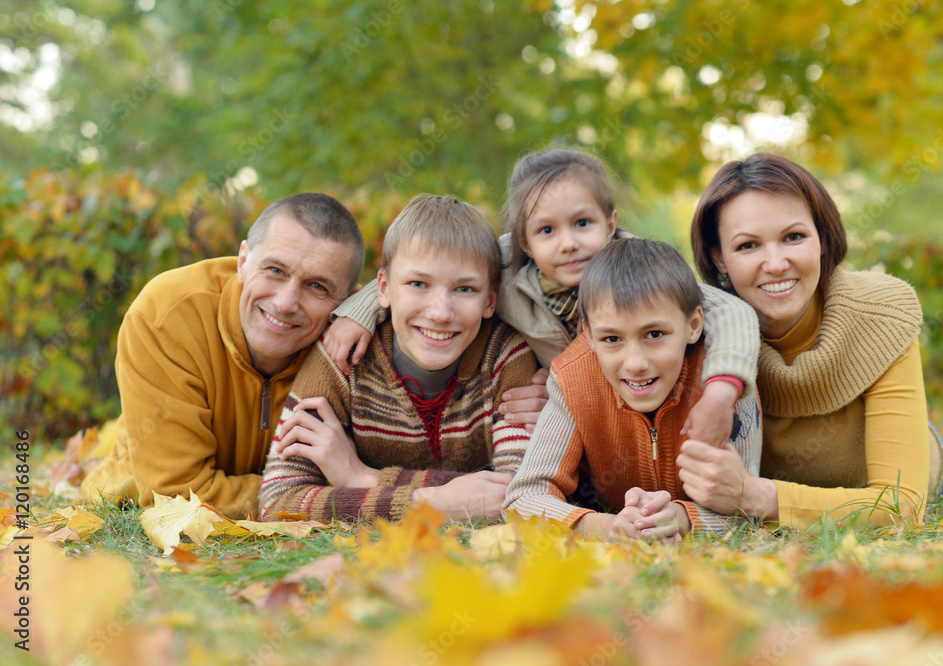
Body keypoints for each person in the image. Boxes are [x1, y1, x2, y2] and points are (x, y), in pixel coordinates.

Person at [325, 148, 761, 448]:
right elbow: (428, 269)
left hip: (647, 408)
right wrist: (361, 311)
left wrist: (722, 392)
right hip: (573, 420)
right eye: (547, 230)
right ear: (525, 242)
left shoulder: (645, 271)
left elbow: (732, 311)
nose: (568, 243)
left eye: (582, 223)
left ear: (611, 224)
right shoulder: (506, 269)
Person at [684, 152, 943, 529]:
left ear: (822, 239)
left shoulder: (881, 314)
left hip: (919, 475)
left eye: (793, 237)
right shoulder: (696, 333)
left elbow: (902, 505)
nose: (775, 263)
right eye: (748, 246)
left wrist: (756, 497)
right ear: (719, 258)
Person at [82, 193, 365, 518]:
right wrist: (326, 497)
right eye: (275, 270)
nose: (286, 302)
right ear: (243, 261)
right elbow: (177, 490)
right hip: (137, 499)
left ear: (348, 302)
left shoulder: (354, 341)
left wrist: (368, 311)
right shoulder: (167, 314)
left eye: (317, 286)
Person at [258, 194, 538, 523]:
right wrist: (425, 503)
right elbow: (278, 501)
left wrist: (360, 478)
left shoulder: (505, 355)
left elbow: (518, 494)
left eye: (464, 289)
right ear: (384, 288)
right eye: (418, 284)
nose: (440, 312)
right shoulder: (341, 357)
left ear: (490, 301)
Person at [503, 238, 762, 540]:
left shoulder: (725, 381)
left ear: (693, 325)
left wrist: (683, 518)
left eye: (654, 334)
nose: (635, 363)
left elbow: (748, 502)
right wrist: (604, 527)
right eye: (612, 339)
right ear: (588, 334)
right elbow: (522, 499)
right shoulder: (572, 380)